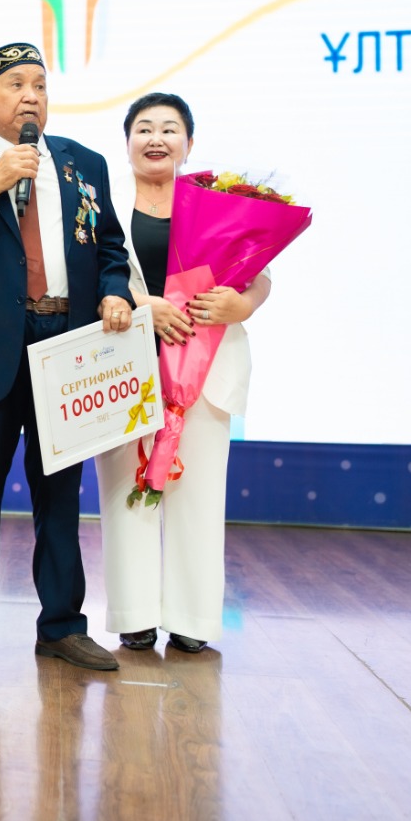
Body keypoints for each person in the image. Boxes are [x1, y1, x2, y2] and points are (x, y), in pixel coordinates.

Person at [0, 42, 134, 673]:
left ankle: (62, 624)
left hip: (67, 345)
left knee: (59, 496)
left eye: (39, 84)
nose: (31, 95)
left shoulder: (84, 163)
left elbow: (110, 247)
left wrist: (114, 291)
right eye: (15, 85)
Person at [93, 92, 270, 654]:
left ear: (189, 143)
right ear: (127, 143)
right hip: (125, 364)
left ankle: (193, 618)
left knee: (199, 494)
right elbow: (85, 276)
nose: (156, 139)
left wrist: (242, 305)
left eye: (170, 129)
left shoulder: (218, 204)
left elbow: (258, 277)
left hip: (206, 367)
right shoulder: (100, 204)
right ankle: (135, 614)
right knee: (126, 490)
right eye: (143, 128)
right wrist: (143, 305)